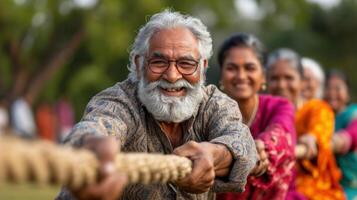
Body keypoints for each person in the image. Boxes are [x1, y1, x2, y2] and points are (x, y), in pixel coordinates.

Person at [56, 10, 258, 200]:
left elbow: (241, 140)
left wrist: (214, 155)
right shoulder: (120, 101)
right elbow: (97, 125)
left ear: (203, 67)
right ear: (138, 64)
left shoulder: (214, 104)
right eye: (158, 62)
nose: (172, 76)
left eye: (186, 64)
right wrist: (90, 149)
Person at [215, 33, 296, 200]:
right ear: (221, 75)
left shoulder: (279, 106)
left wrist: (263, 148)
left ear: (263, 76)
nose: (241, 76)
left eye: (250, 68)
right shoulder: (209, 112)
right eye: (232, 68)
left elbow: (282, 130)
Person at [266, 48, 345, 200]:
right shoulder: (264, 111)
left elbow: (317, 133)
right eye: (274, 78)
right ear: (266, 81)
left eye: (289, 78)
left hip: (315, 192)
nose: (281, 85)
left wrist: (310, 139)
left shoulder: (317, 108)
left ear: (302, 82)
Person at [325, 69, 357, 199]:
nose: (332, 93)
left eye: (338, 88)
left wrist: (335, 142)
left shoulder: (353, 113)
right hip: (327, 187)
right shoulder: (321, 118)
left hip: (351, 187)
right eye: (328, 88)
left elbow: (352, 135)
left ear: (348, 94)